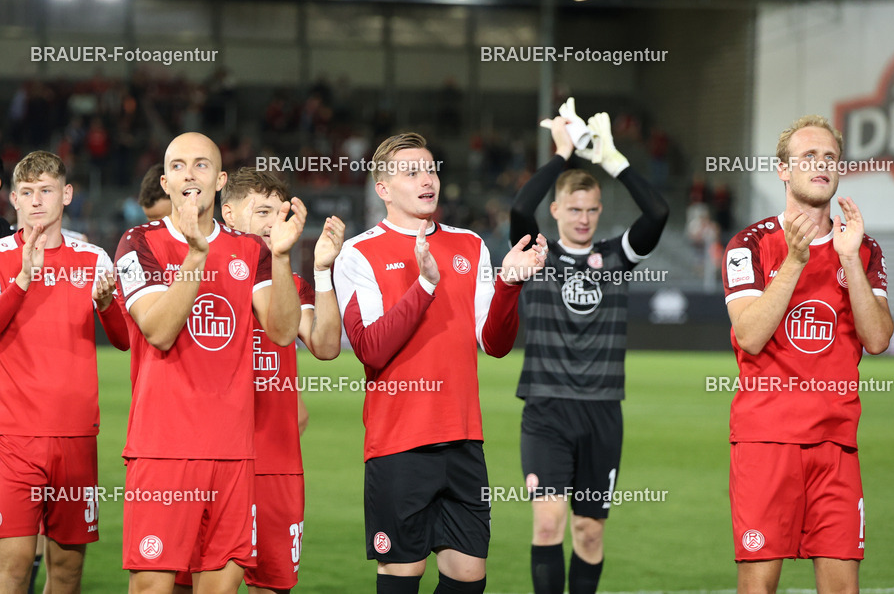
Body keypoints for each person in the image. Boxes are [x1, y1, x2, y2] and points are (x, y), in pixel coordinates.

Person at [333, 132, 547, 594]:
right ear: (383, 189)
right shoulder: (358, 253)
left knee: (469, 578)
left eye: (430, 169)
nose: (426, 179)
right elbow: (370, 348)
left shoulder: (470, 245)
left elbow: (494, 343)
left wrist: (509, 285)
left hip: (464, 439)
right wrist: (425, 286)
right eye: (411, 173)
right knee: (402, 574)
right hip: (399, 444)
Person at [114, 132, 305, 594]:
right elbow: (158, 329)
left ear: (219, 180)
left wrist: (281, 257)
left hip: (234, 452)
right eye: (178, 166)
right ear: (166, 181)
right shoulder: (137, 242)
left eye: (201, 165)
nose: (190, 175)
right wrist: (196, 254)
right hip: (163, 450)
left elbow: (282, 331)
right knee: (152, 587)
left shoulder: (251, 249)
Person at [721, 115, 892, 594]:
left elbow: (878, 339)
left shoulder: (863, 248)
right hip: (766, 441)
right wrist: (795, 263)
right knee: (759, 586)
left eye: (830, 157)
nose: (822, 165)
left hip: (837, 444)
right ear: (783, 170)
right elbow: (749, 335)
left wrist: (848, 259)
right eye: (809, 156)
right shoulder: (749, 244)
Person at [509, 99, 669, 594]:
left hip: (602, 411)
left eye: (592, 210)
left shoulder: (616, 256)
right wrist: (562, 153)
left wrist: (612, 161)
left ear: (601, 210)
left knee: (589, 531)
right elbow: (519, 208)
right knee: (547, 525)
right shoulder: (537, 253)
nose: (583, 219)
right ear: (556, 210)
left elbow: (658, 212)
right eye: (574, 209)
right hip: (547, 410)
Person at [173, 167, 344, 594]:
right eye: (262, 211)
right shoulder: (200, 282)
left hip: (276, 467)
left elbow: (326, 346)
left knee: (272, 585)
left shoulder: (293, 286)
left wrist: (323, 270)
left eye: (280, 212)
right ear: (229, 214)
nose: (273, 222)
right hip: (211, 460)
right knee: (192, 584)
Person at [0, 150, 129, 593]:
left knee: (69, 572)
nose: (37, 201)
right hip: (13, 440)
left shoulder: (94, 258)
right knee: (13, 568)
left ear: (67, 194)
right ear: (13, 199)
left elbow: (125, 339)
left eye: (46, 190)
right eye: (27, 192)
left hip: (76, 439)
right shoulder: (0, 257)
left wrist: (107, 305)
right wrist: (22, 280)